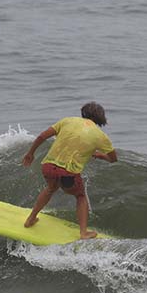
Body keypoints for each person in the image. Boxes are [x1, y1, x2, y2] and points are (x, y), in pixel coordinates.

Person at [22, 102, 118, 239]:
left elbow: (42, 136)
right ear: (100, 118)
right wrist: (101, 155)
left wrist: (30, 153)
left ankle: (31, 219)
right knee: (80, 197)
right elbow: (113, 159)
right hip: (68, 173)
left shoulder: (67, 121)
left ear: (83, 112)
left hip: (48, 166)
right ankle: (83, 232)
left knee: (50, 189)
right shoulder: (100, 136)